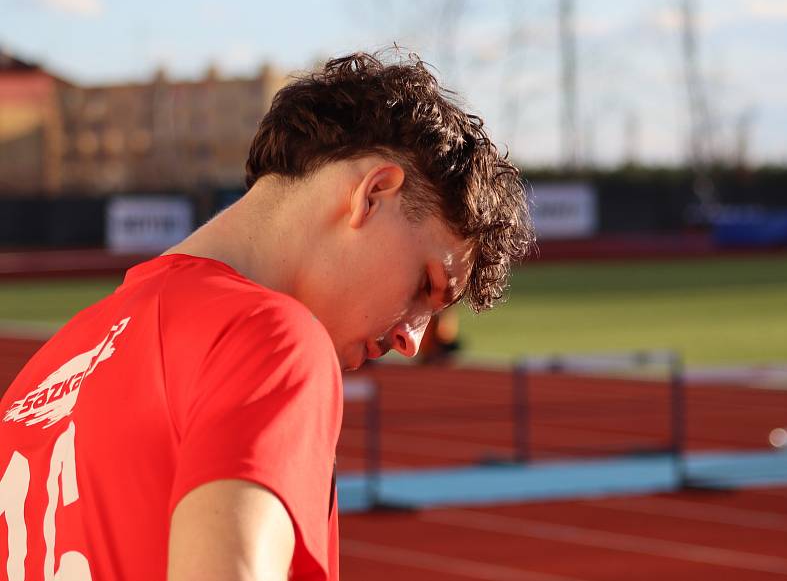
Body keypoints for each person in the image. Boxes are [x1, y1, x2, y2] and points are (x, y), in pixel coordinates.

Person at [0, 51, 532, 581]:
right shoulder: (274, 338)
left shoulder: (45, 370)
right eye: (425, 284)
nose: (412, 339)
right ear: (373, 195)